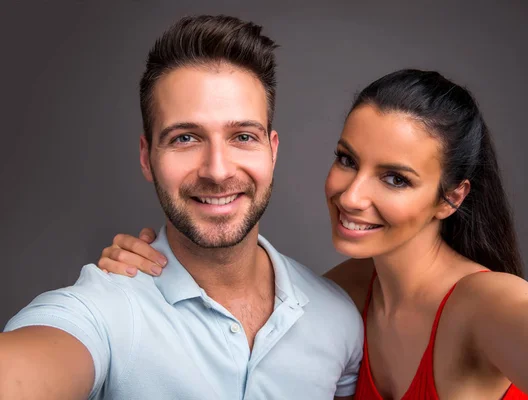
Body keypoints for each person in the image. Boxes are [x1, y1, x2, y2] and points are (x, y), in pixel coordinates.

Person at [103, 69, 528, 399]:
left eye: (395, 178)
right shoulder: (343, 294)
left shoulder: (482, 304)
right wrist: (149, 266)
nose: (352, 195)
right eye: (347, 160)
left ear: (452, 197)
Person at [0, 15, 363, 400]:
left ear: (272, 150)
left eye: (243, 136)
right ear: (146, 157)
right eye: (185, 138)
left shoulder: (337, 318)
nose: (217, 171)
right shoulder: (101, 311)